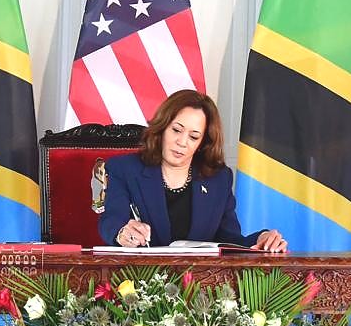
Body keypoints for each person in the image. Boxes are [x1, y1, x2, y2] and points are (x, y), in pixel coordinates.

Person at [99, 89, 287, 251]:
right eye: (176, 130)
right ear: (162, 128)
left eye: (194, 136)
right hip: (140, 277)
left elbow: (228, 240)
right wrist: (122, 233)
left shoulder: (219, 179)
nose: (182, 142)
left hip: (199, 280)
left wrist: (260, 240)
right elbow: (111, 221)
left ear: (203, 143)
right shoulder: (124, 169)